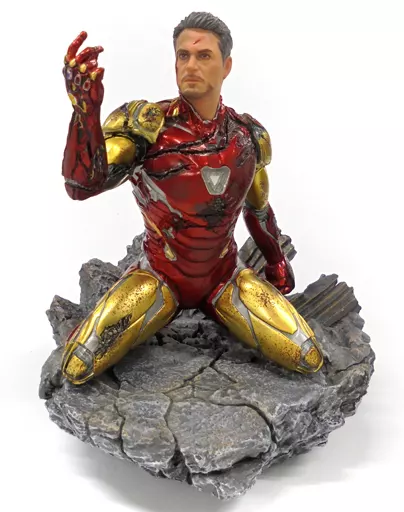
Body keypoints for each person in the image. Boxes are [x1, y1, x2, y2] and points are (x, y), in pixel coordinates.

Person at [61, 11, 323, 385]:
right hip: (159, 278)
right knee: (77, 366)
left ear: (226, 66)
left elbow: (258, 209)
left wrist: (276, 260)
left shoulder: (246, 137)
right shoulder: (147, 130)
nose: (191, 65)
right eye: (183, 55)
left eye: (203, 56)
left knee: (307, 356)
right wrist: (85, 114)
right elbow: (81, 186)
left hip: (224, 278)